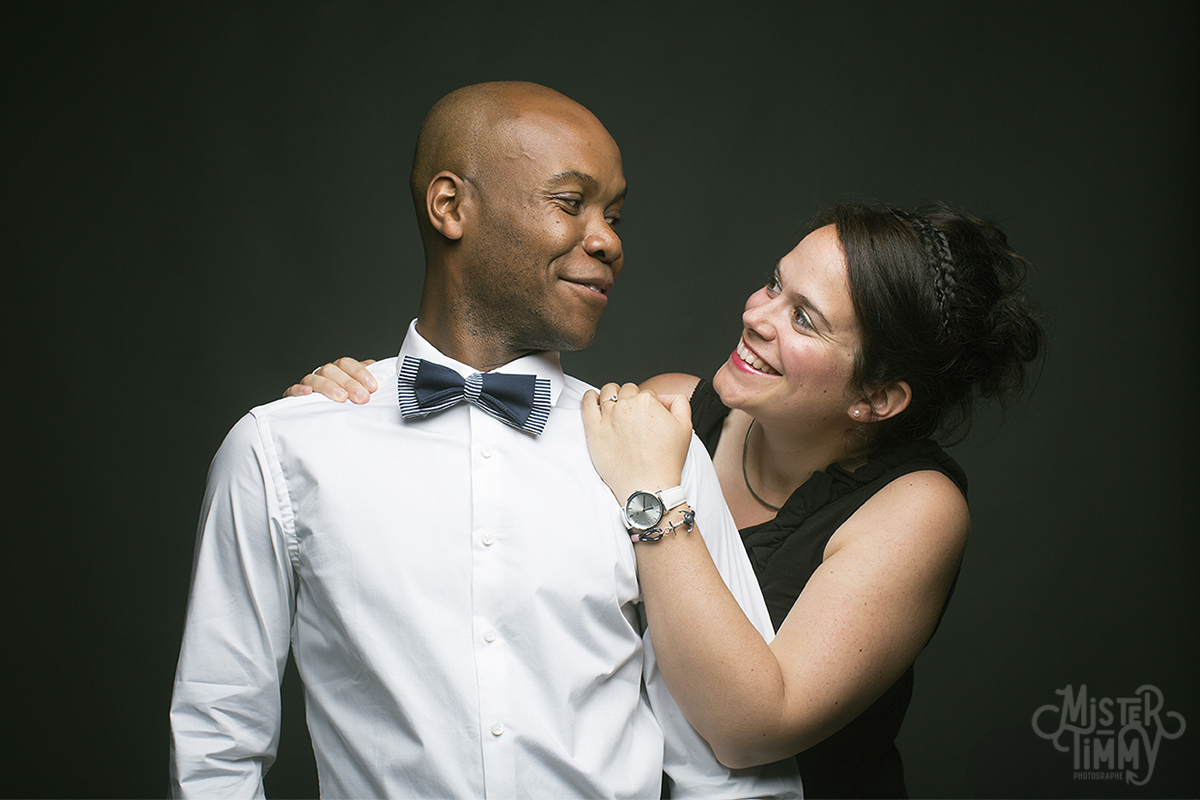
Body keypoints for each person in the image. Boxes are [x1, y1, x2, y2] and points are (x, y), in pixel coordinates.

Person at [171, 81, 801, 799]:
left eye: (615, 214)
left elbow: (731, 771)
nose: (609, 240)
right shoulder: (283, 450)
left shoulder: (656, 453)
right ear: (451, 206)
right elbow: (216, 746)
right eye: (571, 203)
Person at [296, 201, 1043, 797]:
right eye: (776, 283)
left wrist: (654, 496)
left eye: (804, 318)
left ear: (878, 397)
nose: (758, 313)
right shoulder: (669, 408)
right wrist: (356, 414)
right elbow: (493, 516)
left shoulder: (918, 508)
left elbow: (754, 728)